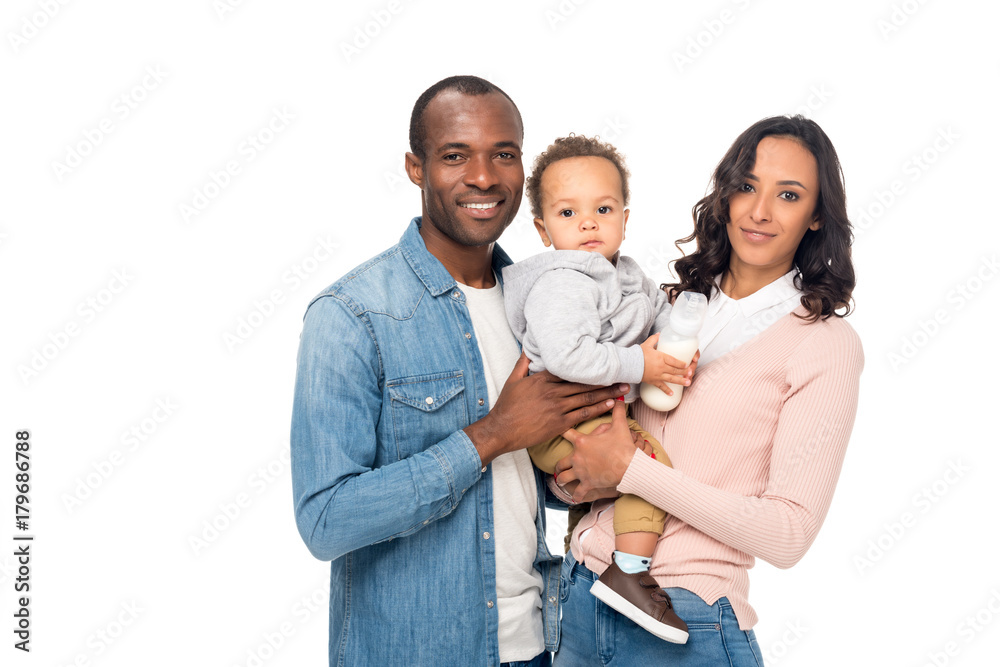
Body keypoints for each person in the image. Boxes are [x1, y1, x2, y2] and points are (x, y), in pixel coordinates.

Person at [290, 75, 635, 667]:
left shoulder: (545, 307)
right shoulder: (353, 315)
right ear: (415, 168)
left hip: (538, 645)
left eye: (503, 154)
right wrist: (491, 435)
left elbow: (519, 487)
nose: (483, 177)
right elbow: (326, 520)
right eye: (455, 156)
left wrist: (578, 477)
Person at [550, 115, 864, 665]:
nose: (759, 211)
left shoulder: (822, 343)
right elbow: (592, 450)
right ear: (725, 195)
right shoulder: (661, 306)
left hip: (686, 620)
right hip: (579, 600)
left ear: (817, 216)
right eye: (747, 186)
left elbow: (789, 534)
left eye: (788, 195)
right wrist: (572, 480)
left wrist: (631, 470)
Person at [501, 134, 694, 643]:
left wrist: (678, 342)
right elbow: (569, 356)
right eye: (568, 213)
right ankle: (629, 571)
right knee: (648, 466)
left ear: (625, 219)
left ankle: (585, 566)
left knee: (597, 503)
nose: (588, 223)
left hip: (598, 411)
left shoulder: (627, 275)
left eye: (603, 209)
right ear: (543, 229)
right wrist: (642, 364)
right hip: (560, 420)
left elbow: (660, 312)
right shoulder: (562, 282)